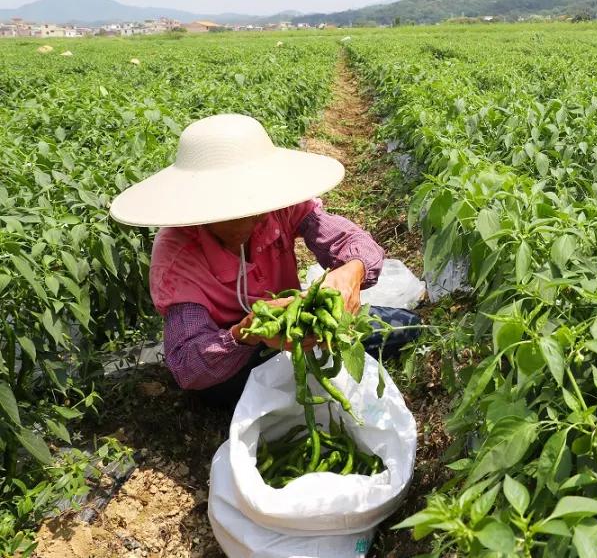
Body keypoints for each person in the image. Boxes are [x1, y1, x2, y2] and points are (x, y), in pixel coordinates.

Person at [110, 113, 417, 408]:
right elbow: (188, 365)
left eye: (255, 204)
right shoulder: (177, 257)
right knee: (237, 392)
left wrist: (353, 270)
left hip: (299, 322)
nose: (256, 216)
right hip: (238, 356)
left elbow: (351, 241)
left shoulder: (279, 207)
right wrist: (249, 331)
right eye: (237, 208)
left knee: (406, 328)